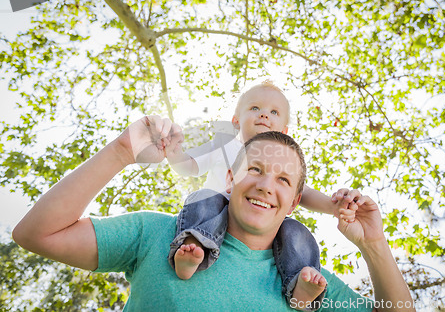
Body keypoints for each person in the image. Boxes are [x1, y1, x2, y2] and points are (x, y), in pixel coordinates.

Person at [12, 116, 415, 311]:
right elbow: (36, 234)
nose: (264, 185)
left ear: (294, 204)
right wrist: (122, 151)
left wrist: (375, 245)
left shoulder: (307, 283)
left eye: (283, 180)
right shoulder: (159, 234)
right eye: (254, 170)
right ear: (228, 180)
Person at [165, 81, 344, 308]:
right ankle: (193, 249)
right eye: (255, 108)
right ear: (236, 120)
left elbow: (303, 193)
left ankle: (300, 284)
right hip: (215, 216)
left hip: (261, 218)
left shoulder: (283, 160)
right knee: (202, 198)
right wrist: (174, 153)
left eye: (274, 112)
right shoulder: (224, 146)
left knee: (295, 231)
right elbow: (190, 166)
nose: (264, 115)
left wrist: (333, 206)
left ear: (284, 130)